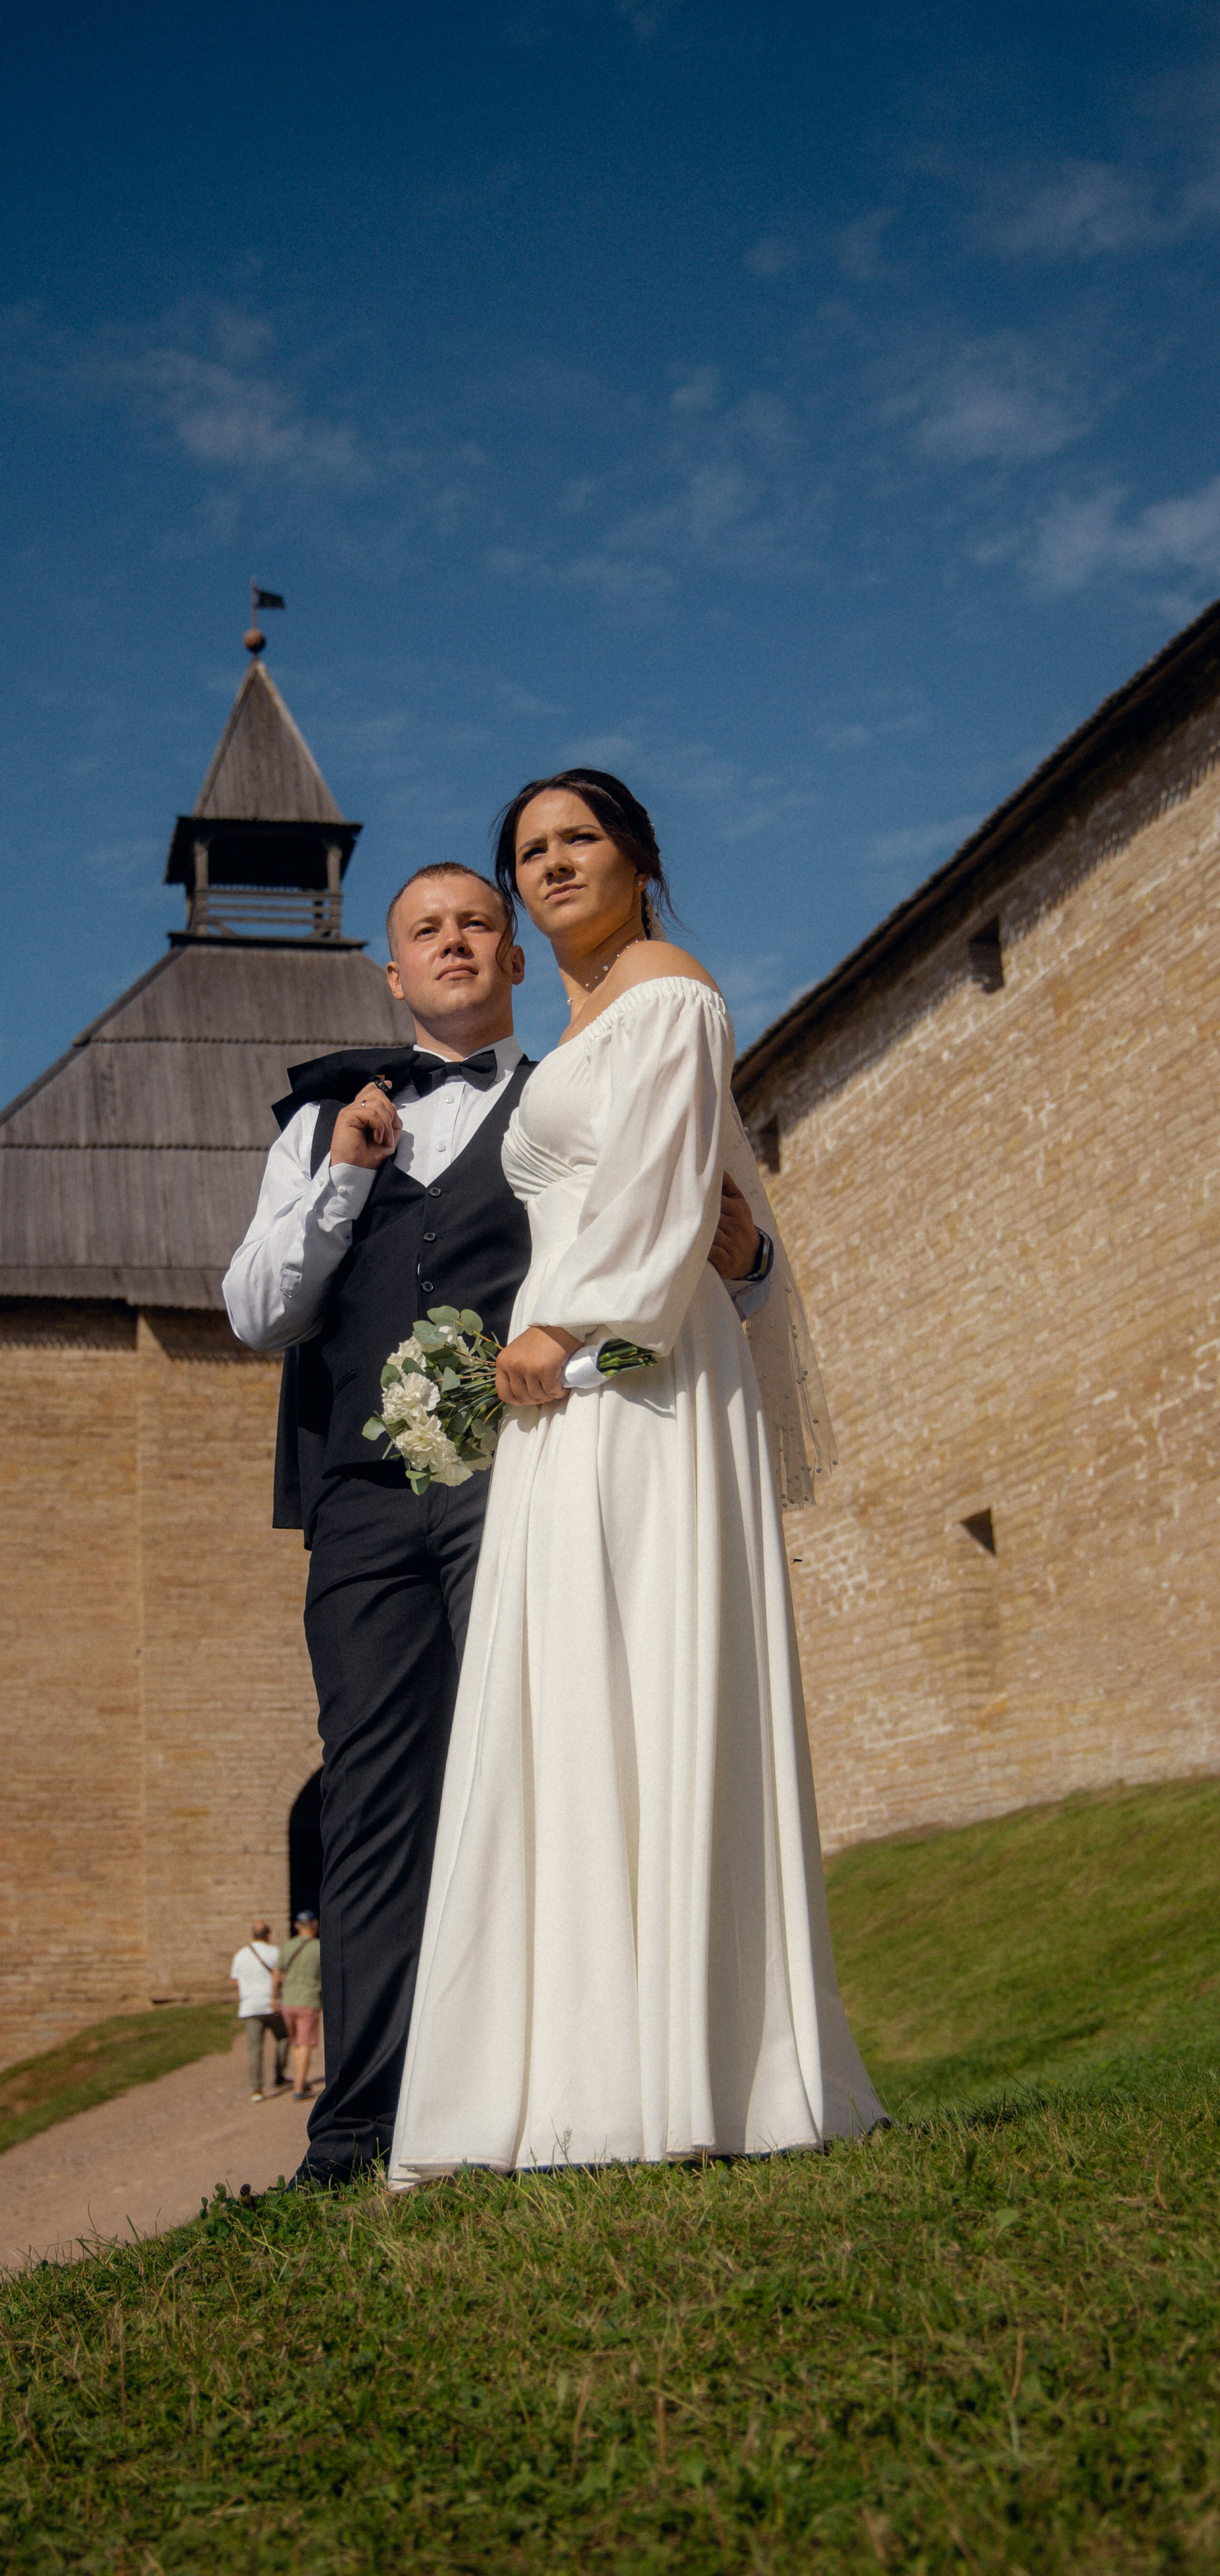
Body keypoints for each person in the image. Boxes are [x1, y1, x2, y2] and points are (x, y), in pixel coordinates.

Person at [223, 860, 774, 2186]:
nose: (456, 942)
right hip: (359, 1505)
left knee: (540, 1771)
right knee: (370, 1805)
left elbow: (694, 1284)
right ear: (392, 970)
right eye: (427, 930)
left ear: (516, 959)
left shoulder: (571, 1104)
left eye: (479, 923)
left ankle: (559, 2095)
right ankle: (355, 2125)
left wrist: (741, 1254)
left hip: (520, 1475)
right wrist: (346, 1177)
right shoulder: (317, 1124)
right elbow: (255, 1311)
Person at [389, 773, 884, 2183]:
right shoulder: (581, 1023)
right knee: (569, 1704)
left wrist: (563, 1325)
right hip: (570, 1395)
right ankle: (575, 2070)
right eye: (527, 851)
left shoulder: (669, 993)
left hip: (631, 1385)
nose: (549, 864)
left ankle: (689, 2071)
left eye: (576, 840)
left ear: (639, 858)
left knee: (643, 1679)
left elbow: (666, 1195)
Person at [227, 1919, 287, 2102]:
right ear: (267, 1934)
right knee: (284, 2037)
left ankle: (257, 2088)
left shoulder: (241, 1955)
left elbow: (235, 1980)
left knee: (255, 2048)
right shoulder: (275, 1952)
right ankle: (279, 2074)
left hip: (250, 2006)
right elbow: (280, 1976)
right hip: (271, 2004)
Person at [273, 1910, 323, 2099]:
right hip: (308, 2000)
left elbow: (277, 1973)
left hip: (289, 2000)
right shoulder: (319, 1947)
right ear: (315, 1924)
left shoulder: (288, 1946)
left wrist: (273, 1997)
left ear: (296, 1926)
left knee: (296, 2044)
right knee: (305, 2044)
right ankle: (299, 2088)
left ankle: (298, 2081)